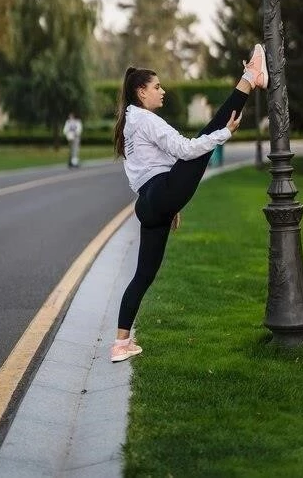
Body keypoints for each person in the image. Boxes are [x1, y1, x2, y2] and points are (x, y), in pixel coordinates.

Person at [110, 43, 268, 362]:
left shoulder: (130, 122)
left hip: (148, 203)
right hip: (159, 195)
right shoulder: (146, 120)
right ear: (141, 92)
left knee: (143, 275)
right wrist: (224, 134)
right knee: (208, 137)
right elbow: (185, 149)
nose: (163, 91)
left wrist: (169, 204)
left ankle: (120, 345)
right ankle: (251, 76)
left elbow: (149, 171)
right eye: (157, 87)